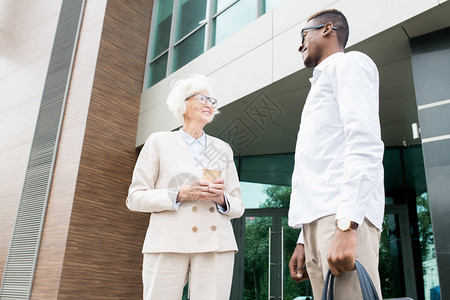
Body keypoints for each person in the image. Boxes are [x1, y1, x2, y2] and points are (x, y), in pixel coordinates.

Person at [287, 9, 385, 299]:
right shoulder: (319, 85)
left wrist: (347, 224)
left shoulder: (350, 64)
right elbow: (319, 166)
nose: (300, 45)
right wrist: (304, 239)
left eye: (304, 35)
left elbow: (364, 144)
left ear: (328, 29)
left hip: (340, 217)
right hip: (317, 223)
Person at [126, 74, 245, 300]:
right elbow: (135, 198)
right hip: (167, 243)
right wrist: (179, 194)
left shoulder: (223, 148)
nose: (209, 104)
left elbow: (238, 205)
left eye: (212, 101)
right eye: (202, 98)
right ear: (183, 103)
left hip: (216, 245)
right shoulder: (158, 142)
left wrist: (221, 199)